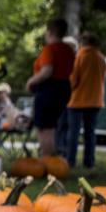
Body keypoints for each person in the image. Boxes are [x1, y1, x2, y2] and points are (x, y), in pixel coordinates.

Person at [25, 19, 75, 157]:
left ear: (50, 32)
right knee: (51, 126)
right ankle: (51, 156)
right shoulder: (68, 50)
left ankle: (47, 159)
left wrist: (31, 81)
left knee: (43, 127)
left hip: (48, 90)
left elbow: (47, 71)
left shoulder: (50, 49)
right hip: (64, 89)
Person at [65, 32, 106, 169]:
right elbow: (103, 77)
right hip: (95, 101)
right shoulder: (101, 58)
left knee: (74, 132)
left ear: (83, 42)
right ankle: (89, 162)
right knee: (90, 133)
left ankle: (70, 161)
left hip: (78, 100)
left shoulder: (80, 56)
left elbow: (73, 79)